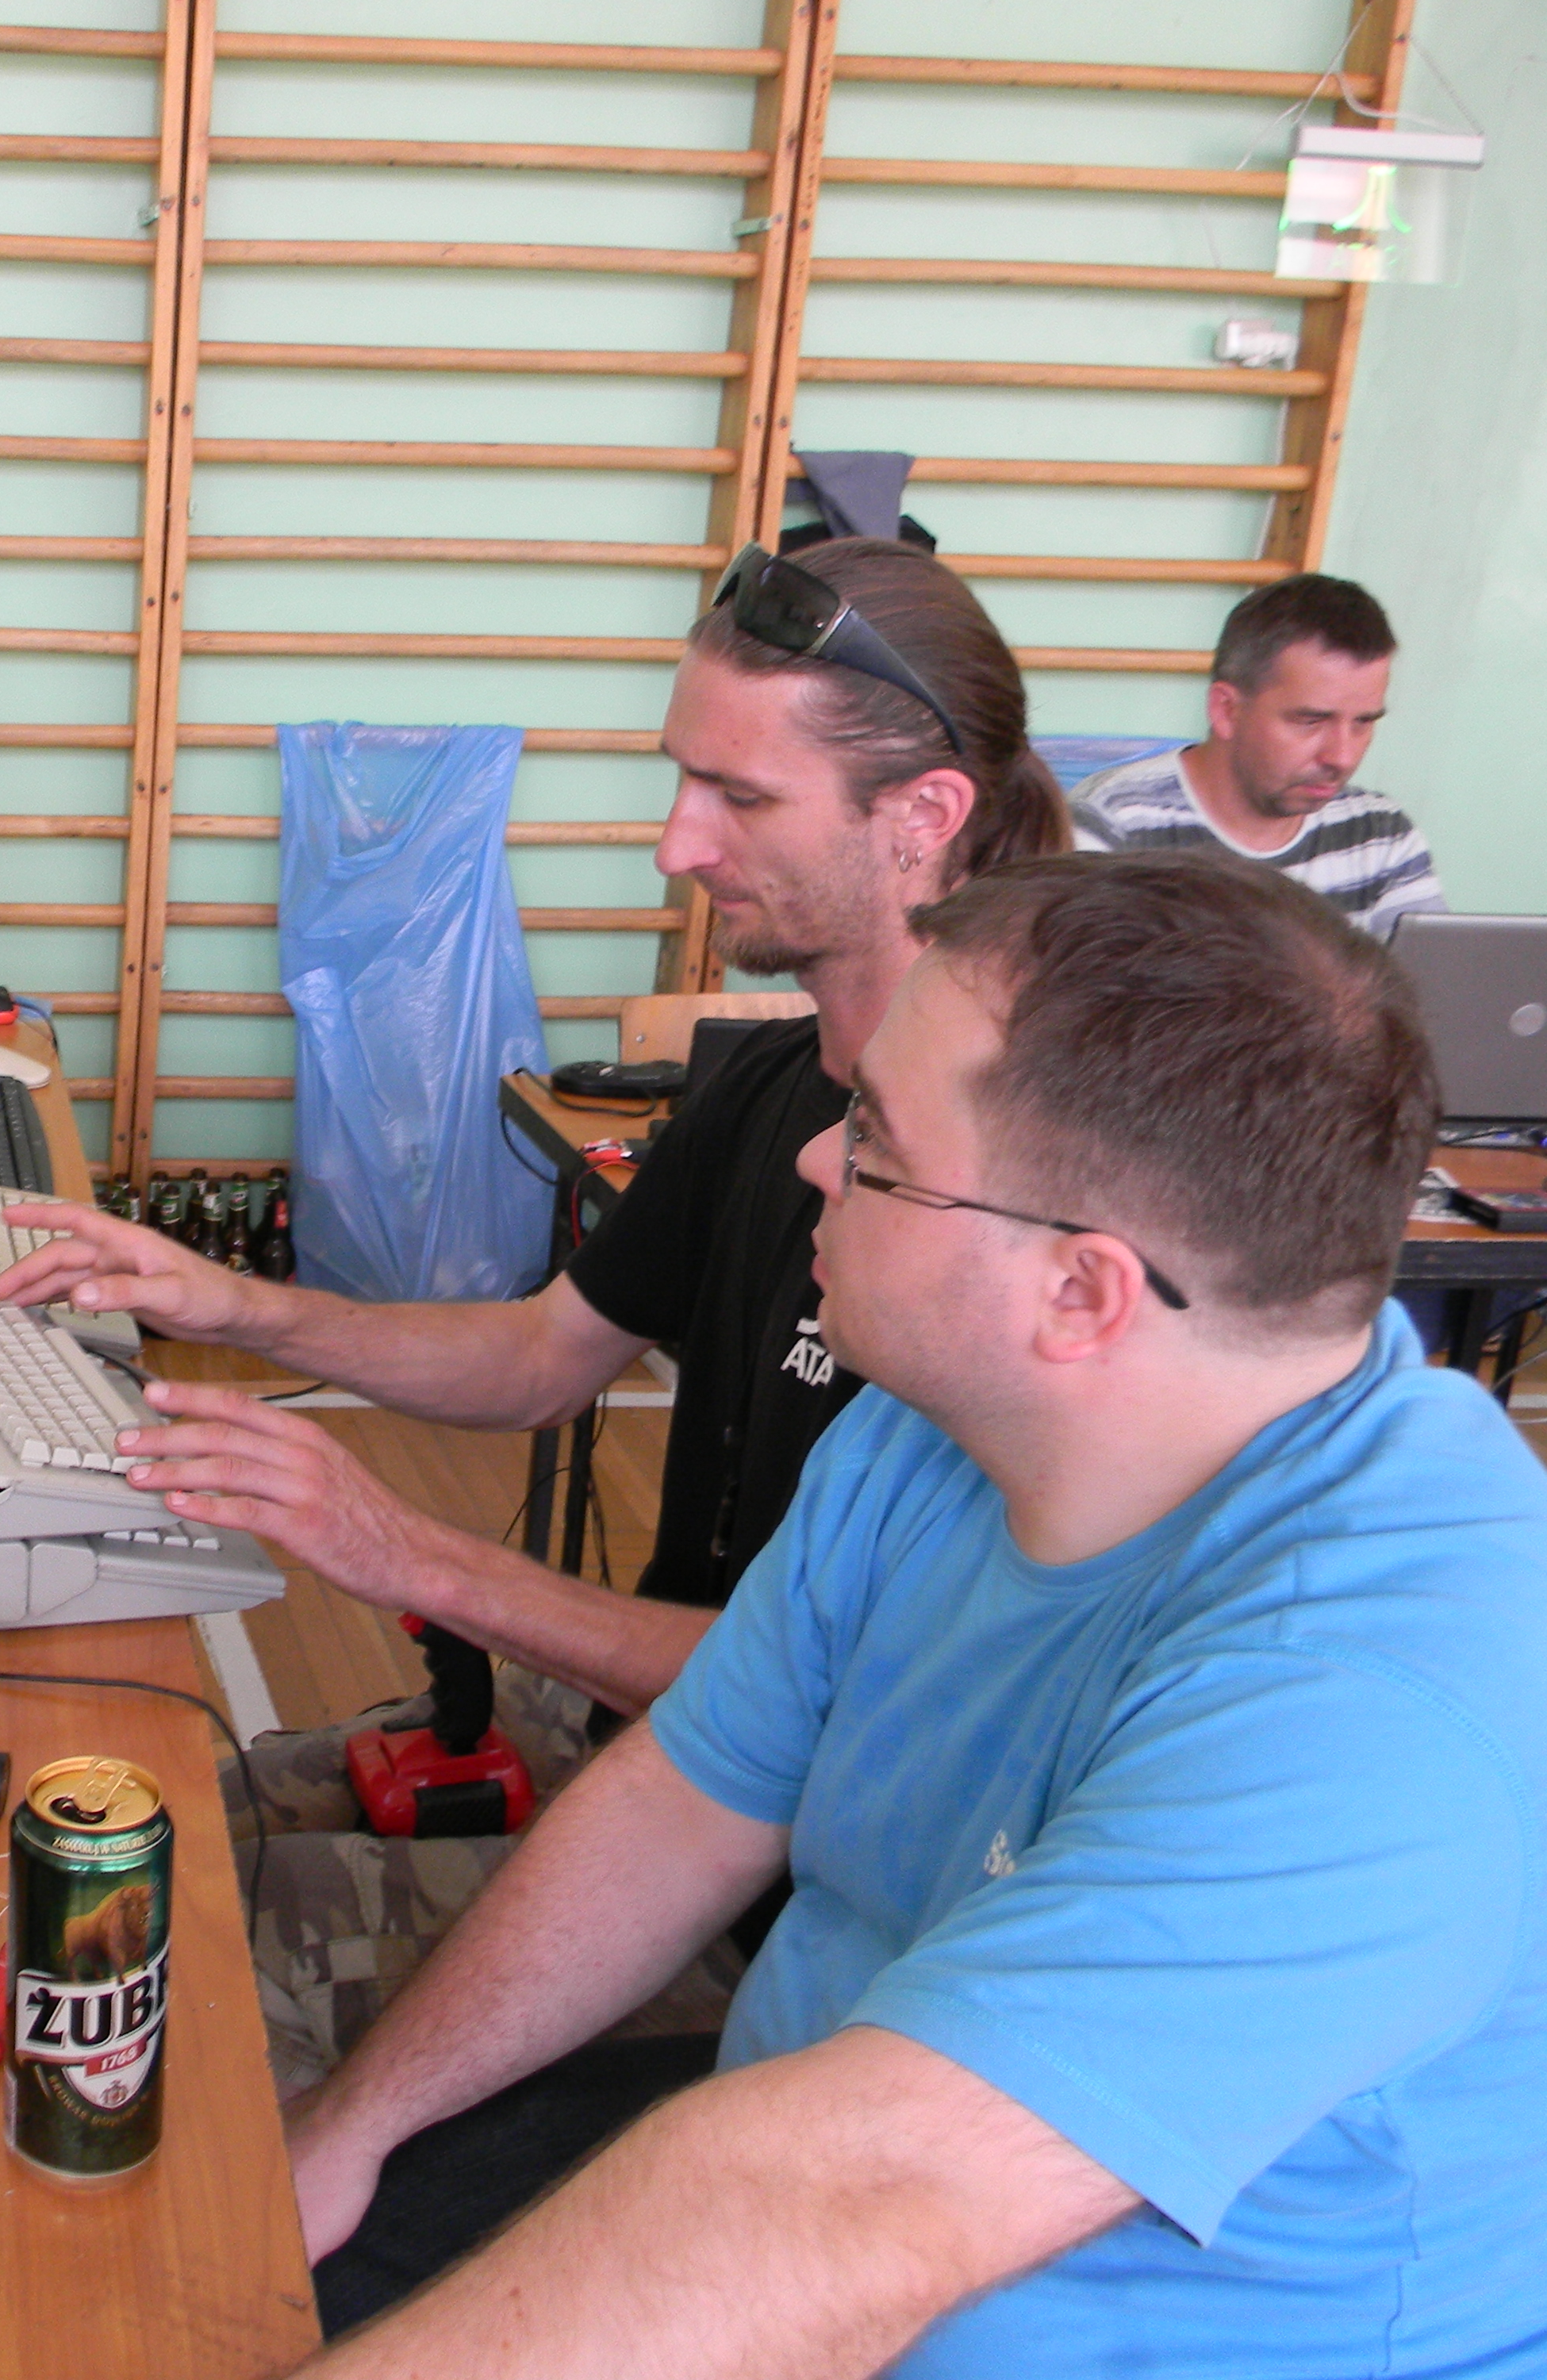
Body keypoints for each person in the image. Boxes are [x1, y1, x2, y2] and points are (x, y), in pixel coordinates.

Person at [281, 852, 1547, 2375]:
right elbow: (685, 1803)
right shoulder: (936, 1423)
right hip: (816, 2142)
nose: (818, 1159)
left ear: (1080, 1294)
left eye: (876, 1138)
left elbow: (865, 2205)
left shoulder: (1371, 1702)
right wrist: (351, 2129)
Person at [0, 539, 1072, 2091]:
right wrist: (233, 1303)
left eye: (739, 796)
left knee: (165, 1958)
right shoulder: (771, 1087)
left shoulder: (998, 1216)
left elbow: (823, 1714)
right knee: (155, 1812)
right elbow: (546, 1352)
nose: (675, 844)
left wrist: (408, 1554)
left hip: (778, 1905)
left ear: (925, 815)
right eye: (681, 780)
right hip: (660, 1742)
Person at [1070, 572, 1444, 939]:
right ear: (1226, 710)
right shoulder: (1110, 826)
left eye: (1363, 723)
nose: (1342, 757)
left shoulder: (1382, 837)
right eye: (1311, 721)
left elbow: (1432, 979)